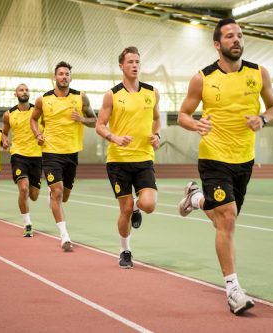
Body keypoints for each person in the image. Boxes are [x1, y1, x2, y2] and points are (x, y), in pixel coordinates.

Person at [177, 18, 273, 315]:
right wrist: (195, 123)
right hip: (213, 156)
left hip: (244, 159)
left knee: (223, 219)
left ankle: (195, 199)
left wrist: (263, 119)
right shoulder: (202, 78)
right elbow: (183, 114)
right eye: (230, 36)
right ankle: (233, 289)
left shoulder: (259, 73)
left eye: (240, 35)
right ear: (217, 44)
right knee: (228, 219)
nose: (237, 40)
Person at [95, 46, 161, 269]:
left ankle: (137, 208)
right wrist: (113, 137)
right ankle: (125, 251)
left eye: (137, 62)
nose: (135, 65)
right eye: (130, 62)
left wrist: (157, 134)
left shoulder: (152, 92)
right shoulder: (112, 95)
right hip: (118, 161)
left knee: (149, 205)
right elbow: (99, 125)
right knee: (124, 208)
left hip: (144, 158)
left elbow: (157, 119)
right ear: (121, 66)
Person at [30, 61, 96, 252]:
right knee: (57, 193)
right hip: (50, 152)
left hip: (71, 153)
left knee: (64, 197)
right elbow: (33, 119)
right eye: (60, 74)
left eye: (67, 74)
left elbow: (95, 121)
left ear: (70, 77)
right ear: (55, 77)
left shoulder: (80, 97)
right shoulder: (43, 99)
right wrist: (37, 135)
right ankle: (65, 237)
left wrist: (82, 119)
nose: (64, 77)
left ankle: (53, 196)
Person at [1, 83, 43, 237]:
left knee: (34, 195)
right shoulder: (8, 114)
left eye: (26, 90)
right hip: (18, 155)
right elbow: (4, 133)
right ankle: (27, 224)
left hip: (37, 156)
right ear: (15, 94)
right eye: (21, 90)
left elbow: (49, 127)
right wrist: (4, 141)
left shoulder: (38, 111)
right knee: (23, 189)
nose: (24, 92)